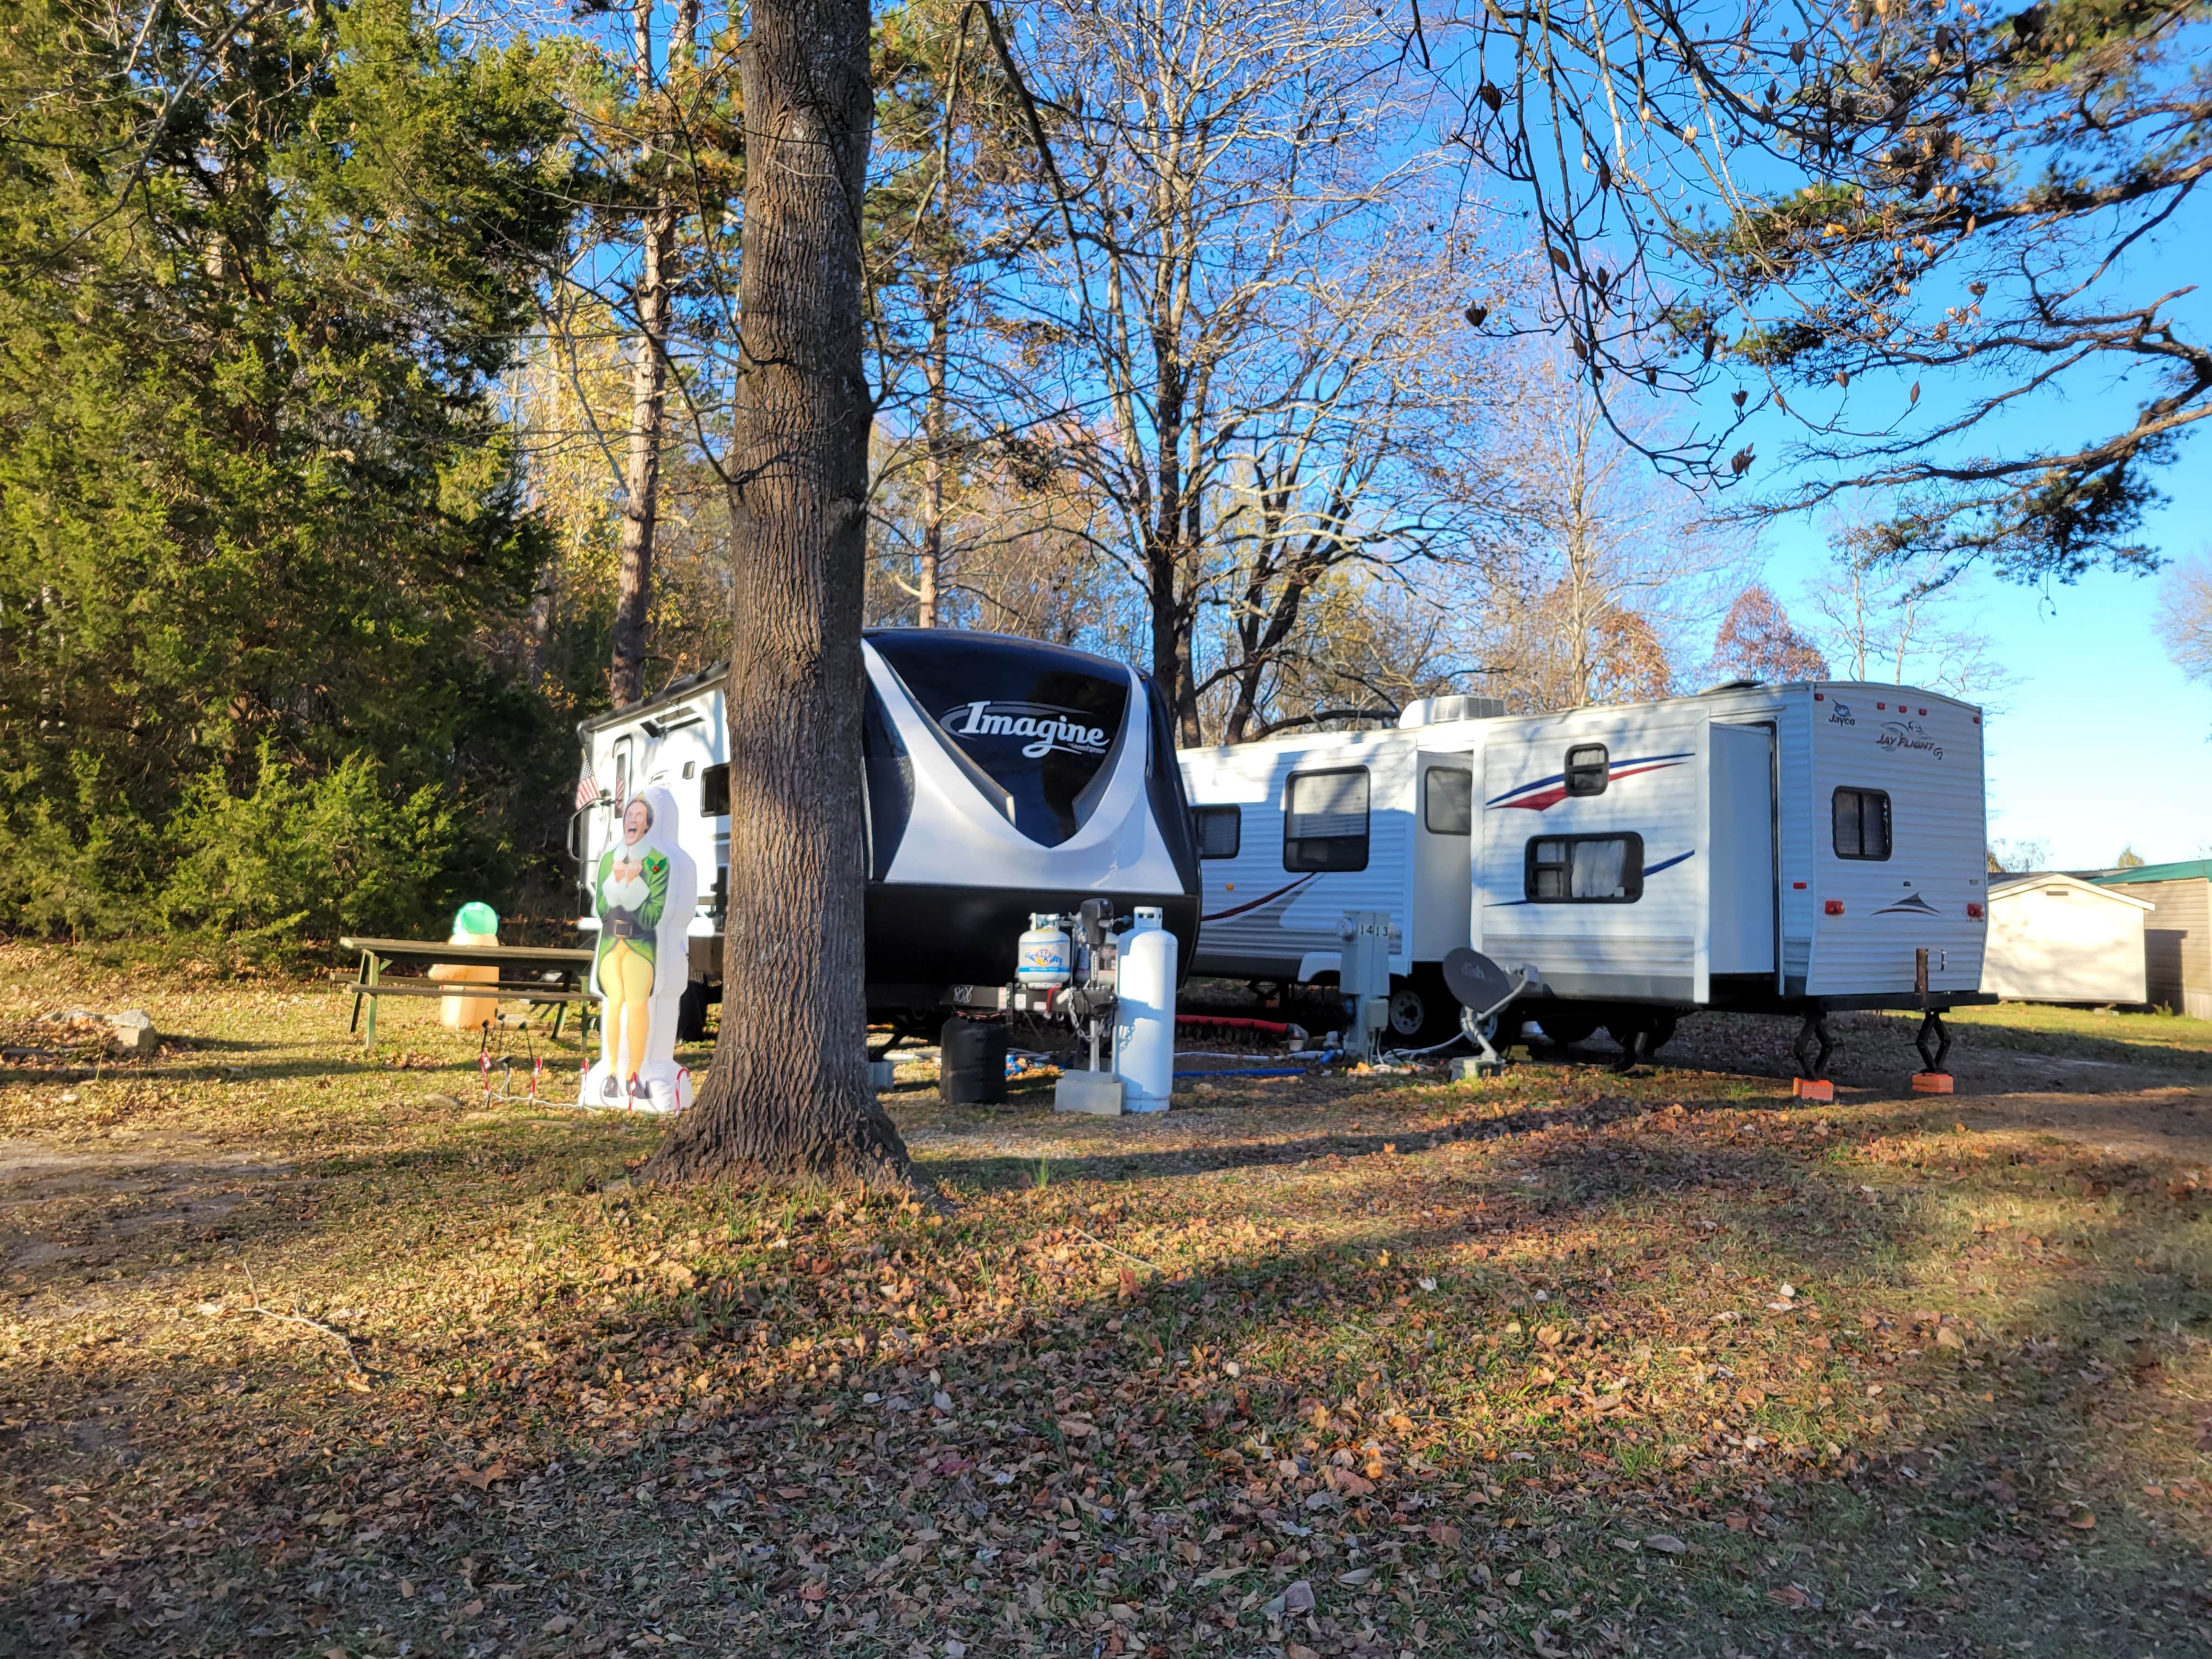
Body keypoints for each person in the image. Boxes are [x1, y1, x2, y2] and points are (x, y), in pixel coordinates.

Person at [592, 795, 670, 1103]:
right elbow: (601, 906)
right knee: (615, 1002)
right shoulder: (610, 859)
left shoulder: (658, 863)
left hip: (639, 945)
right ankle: (612, 1072)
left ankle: (634, 1074)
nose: (632, 820)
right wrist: (619, 881)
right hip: (612, 944)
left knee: (637, 1003)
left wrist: (634, 883)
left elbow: (653, 915)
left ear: (647, 824)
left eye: (639, 815)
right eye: (629, 814)